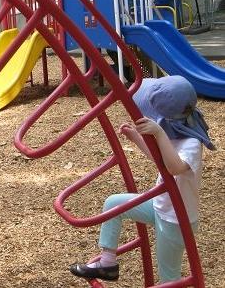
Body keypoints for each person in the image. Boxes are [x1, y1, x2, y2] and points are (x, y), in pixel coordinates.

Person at [69, 75, 215, 283]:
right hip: (159, 207)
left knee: (168, 275)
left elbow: (173, 168)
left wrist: (159, 134)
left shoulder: (191, 143)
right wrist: (136, 137)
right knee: (113, 204)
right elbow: (161, 162)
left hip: (176, 220)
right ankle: (108, 263)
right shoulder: (173, 135)